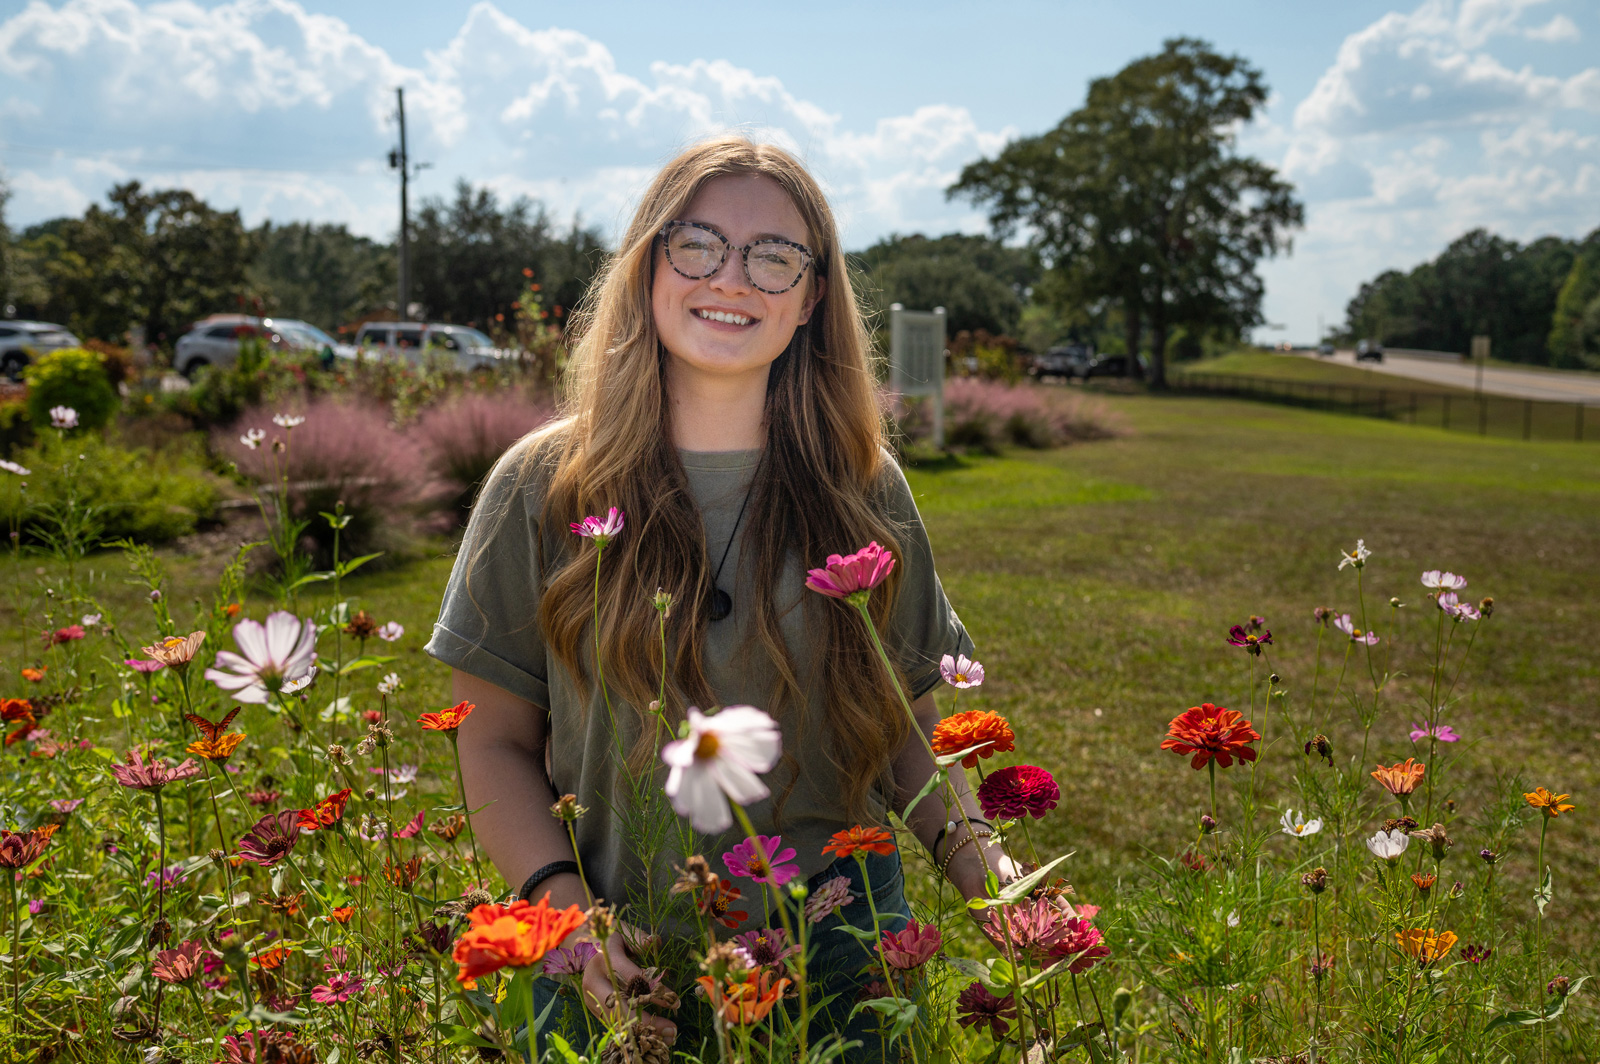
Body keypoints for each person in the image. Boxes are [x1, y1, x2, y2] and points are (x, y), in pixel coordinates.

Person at [425, 135, 1019, 1057]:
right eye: (697, 242)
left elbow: (905, 730)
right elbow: (494, 738)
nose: (732, 278)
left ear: (812, 298)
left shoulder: (864, 487)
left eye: (774, 256)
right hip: (620, 967)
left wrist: (1000, 887)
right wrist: (567, 918)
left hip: (840, 968)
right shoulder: (543, 485)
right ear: (649, 262)